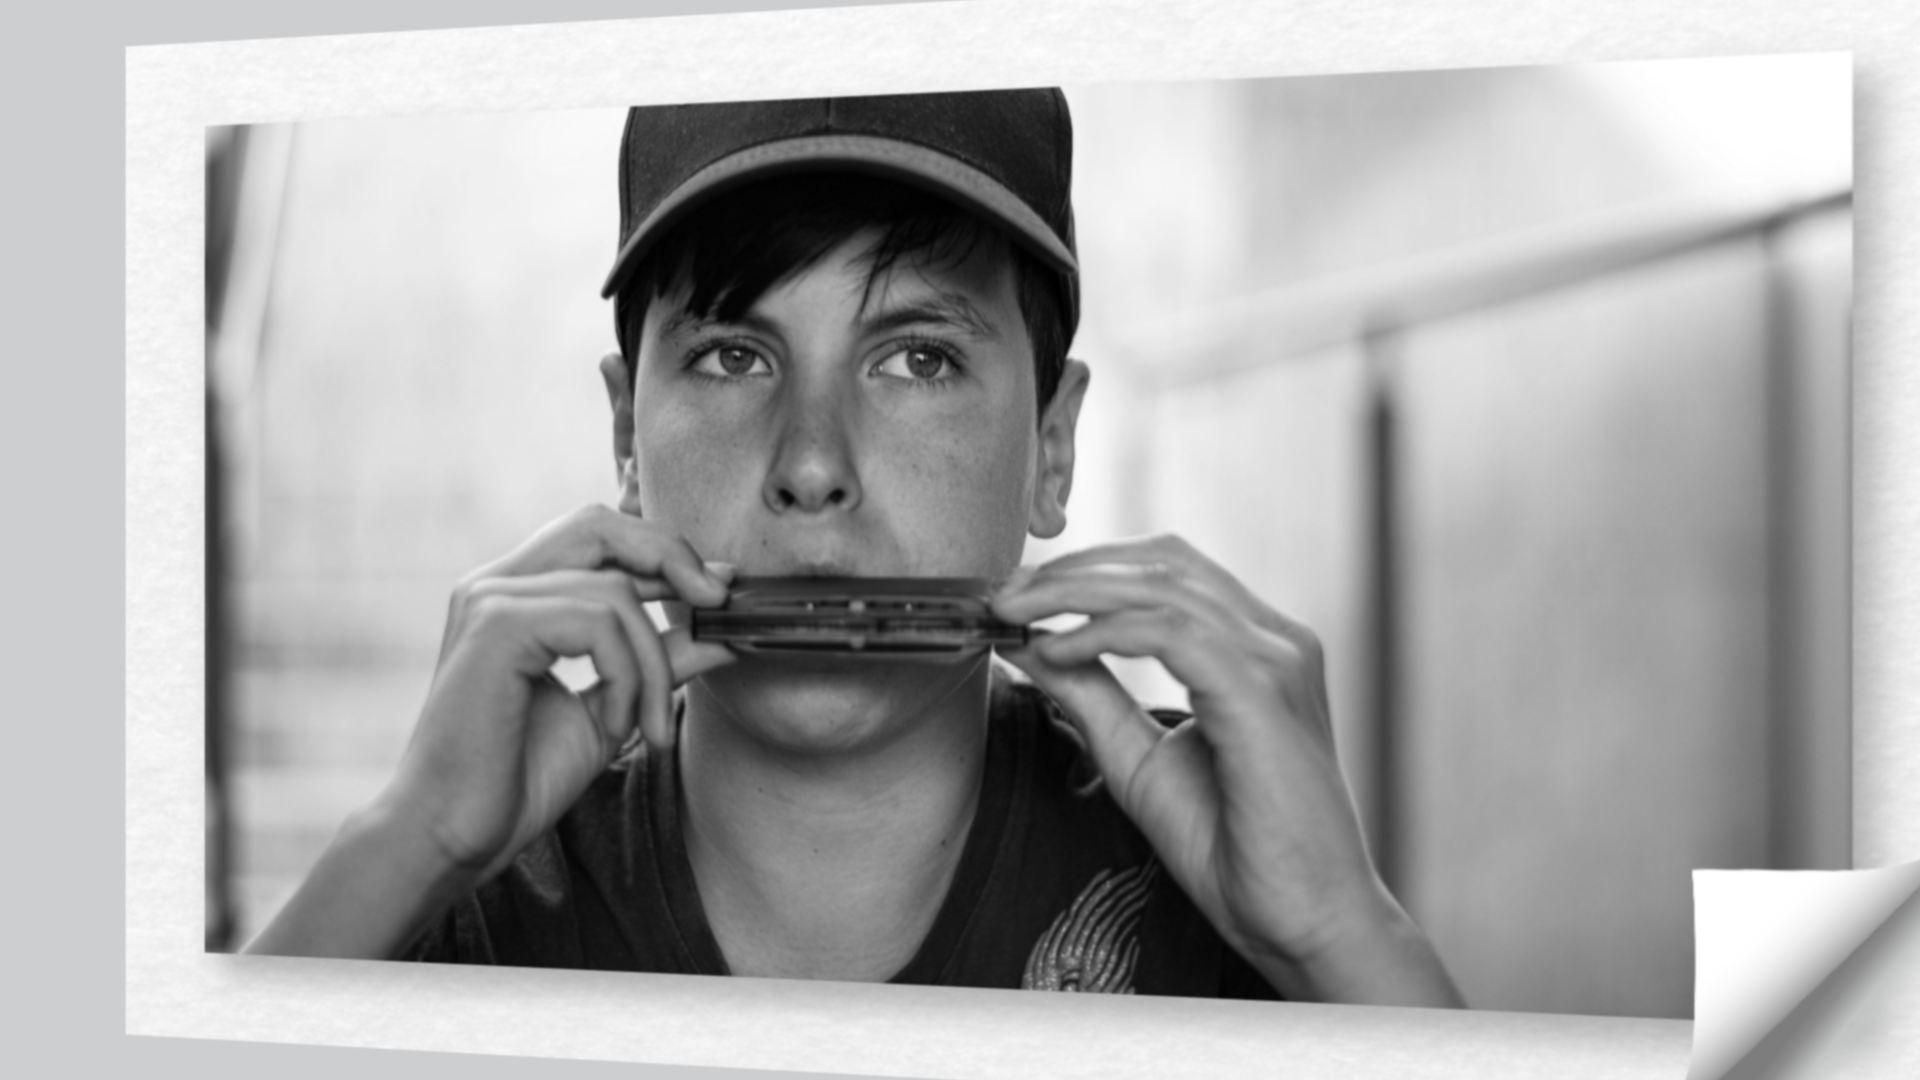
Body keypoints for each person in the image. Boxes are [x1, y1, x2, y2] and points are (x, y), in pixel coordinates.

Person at [248, 88, 1464, 1006]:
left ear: (1051, 448)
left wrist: (1337, 938)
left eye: (918, 359)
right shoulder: (451, 907)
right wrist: (401, 847)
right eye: (734, 356)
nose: (812, 463)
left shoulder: (1226, 897)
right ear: (627, 433)